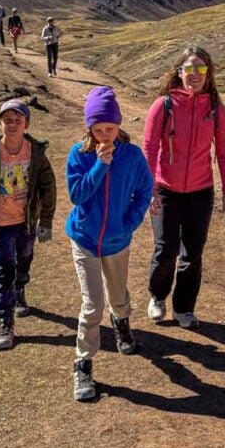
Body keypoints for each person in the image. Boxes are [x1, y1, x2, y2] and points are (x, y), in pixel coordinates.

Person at [66, 86, 153, 401]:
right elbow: (77, 196)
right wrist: (99, 165)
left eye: (110, 129)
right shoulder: (80, 154)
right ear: (89, 127)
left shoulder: (131, 156)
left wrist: (128, 223)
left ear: (119, 126)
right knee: (92, 306)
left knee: (117, 296)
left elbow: (145, 191)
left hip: (118, 241)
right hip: (85, 240)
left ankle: (122, 322)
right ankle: (83, 362)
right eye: (98, 129)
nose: (104, 135)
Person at [142, 45, 225, 330]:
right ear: (179, 72)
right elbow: (148, 148)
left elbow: (224, 152)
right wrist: (149, 189)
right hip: (165, 190)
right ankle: (157, 296)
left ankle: (184, 308)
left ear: (209, 74)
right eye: (190, 68)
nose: (195, 74)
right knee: (165, 249)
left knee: (192, 253)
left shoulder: (216, 109)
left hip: (200, 192)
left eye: (201, 69)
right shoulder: (164, 105)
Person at [0, 99, 56, 351]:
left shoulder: (36, 153)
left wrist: (45, 221)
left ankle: (21, 287)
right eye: (7, 120)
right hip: (1, 223)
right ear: (0, 123)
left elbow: (48, 186)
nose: (12, 125)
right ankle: (5, 323)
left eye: (17, 120)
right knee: (3, 271)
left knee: (24, 257)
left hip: (27, 221)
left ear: (26, 124)